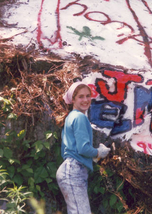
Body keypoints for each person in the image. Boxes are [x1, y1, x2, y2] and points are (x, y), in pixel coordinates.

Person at [56, 81, 111, 214]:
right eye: (81, 96)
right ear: (73, 99)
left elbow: (74, 148)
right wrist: (99, 153)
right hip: (73, 170)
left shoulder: (71, 116)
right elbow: (83, 149)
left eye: (88, 96)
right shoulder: (80, 117)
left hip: (70, 170)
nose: (85, 100)